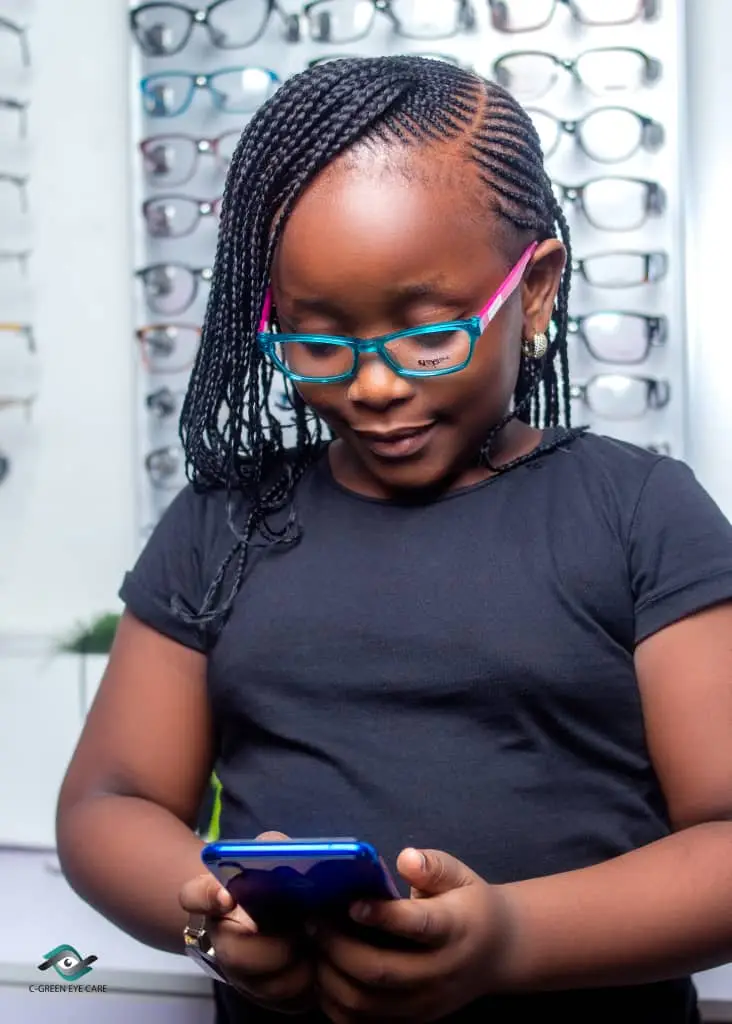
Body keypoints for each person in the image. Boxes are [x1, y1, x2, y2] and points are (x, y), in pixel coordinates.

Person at [56, 56, 732, 1023]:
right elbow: (107, 803)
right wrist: (207, 913)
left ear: (535, 290)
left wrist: (508, 938)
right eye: (318, 342)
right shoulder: (222, 525)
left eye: (428, 335)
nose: (373, 386)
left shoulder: (641, 515)